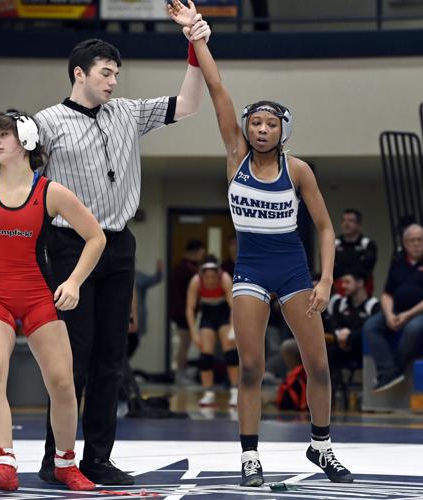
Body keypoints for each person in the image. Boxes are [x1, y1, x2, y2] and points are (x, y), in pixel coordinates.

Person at [168, 0, 353, 486]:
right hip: (250, 266)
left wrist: (326, 278)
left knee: (318, 364)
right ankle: (250, 457)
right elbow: (216, 88)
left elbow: (327, 229)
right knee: (249, 366)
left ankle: (322, 446)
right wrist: (196, 36)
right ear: (246, 129)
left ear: (282, 130)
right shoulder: (235, 156)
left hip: (293, 269)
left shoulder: (299, 170)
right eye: (256, 124)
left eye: (271, 125)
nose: (262, 130)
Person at [35, 17, 212, 486]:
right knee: (72, 357)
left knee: (111, 357)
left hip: (118, 244)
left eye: (116, 73)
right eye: (105, 72)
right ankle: (58, 459)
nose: (114, 81)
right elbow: (19, 183)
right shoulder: (44, 124)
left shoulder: (128, 112)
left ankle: (96, 458)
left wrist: (194, 47)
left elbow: (191, 104)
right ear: (79, 73)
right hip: (68, 245)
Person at [0, 111, 106, 492]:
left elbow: (96, 237)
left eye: (4, 135)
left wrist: (75, 282)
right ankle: (4, 464)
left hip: (38, 297)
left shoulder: (50, 192)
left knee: (63, 383)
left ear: (27, 141)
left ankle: (66, 463)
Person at [363, 223, 423, 393]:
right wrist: (389, 314)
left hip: (418, 313)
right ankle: (387, 372)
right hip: (396, 310)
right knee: (371, 326)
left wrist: (407, 315)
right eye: (413, 240)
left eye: (420, 240)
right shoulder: (397, 263)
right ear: (405, 243)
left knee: (413, 328)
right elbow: (387, 294)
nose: (417, 244)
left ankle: (396, 369)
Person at [185, 256, 238, 407]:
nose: (210, 281)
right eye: (207, 277)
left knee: (230, 353)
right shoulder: (195, 282)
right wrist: (193, 333)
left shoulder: (225, 279)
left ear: (218, 274)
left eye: (213, 277)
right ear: (201, 275)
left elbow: (234, 306)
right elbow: (190, 308)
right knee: (205, 356)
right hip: (207, 315)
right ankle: (208, 392)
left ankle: (234, 391)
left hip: (224, 314)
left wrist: (233, 329)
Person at [169, 239, 206, 384]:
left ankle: (182, 372)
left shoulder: (191, 267)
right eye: (202, 252)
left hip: (187, 312)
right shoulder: (184, 269)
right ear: (195, 252)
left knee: (186, 343)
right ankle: (179, 374)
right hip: (181, 312)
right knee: (183, 343)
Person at [334, 209, 377, 295]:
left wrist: (352, 276)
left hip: (362, 289)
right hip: (339, 289)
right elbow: (329, 268)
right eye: (344, 221)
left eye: (351, 221)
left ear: (358, 224)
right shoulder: (334, 244)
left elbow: (367, 268)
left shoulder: (368, 244)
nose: (346, 224)